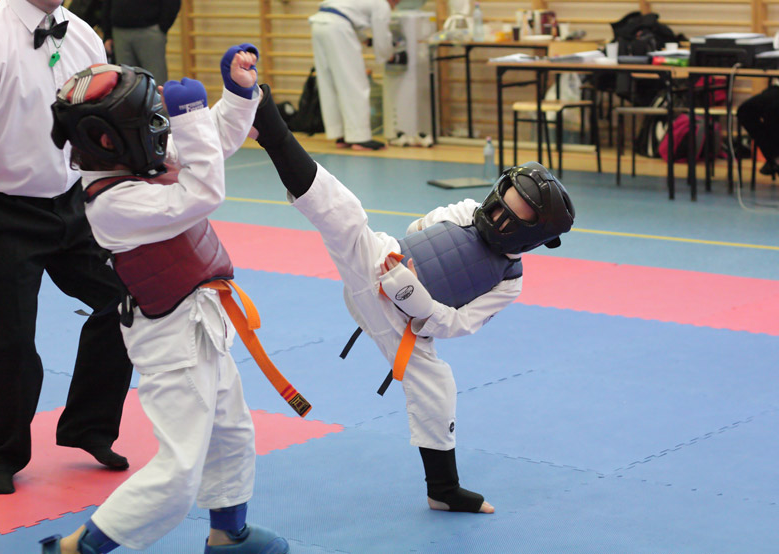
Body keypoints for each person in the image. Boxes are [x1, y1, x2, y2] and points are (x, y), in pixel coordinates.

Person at [248, 84, 575, 513]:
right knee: (345, 215)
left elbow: (458, 324)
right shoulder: (468, 210)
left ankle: (443, 490)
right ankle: (268, 123)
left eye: (506, 215)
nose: (493, 212)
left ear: (529, 234)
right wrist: (401, 270)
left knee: (437, 386)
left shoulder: (508, 281)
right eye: (498, 202)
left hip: (404, 322)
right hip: (381, 265)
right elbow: (420, 229)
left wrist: (414, 297)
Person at [40, 45, 289, 554]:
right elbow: (202, 192)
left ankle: (229, 535)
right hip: (171, 340)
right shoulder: (113, 202)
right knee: (179, 470)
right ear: (107, 138)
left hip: (203, 320)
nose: (160, 131)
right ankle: (75, 548)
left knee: (231, 432)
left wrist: (236, 96)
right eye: (149, 122)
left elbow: (209, 141)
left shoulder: (137, 155)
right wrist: (190, 120)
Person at [0, 0, 134, 495]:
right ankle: (5, 455)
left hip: (73, 203)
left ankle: (89, 427)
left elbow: (100, 126)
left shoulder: (82, 34)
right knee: (12, 341)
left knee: (126, 300)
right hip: (1, 213)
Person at [308, 0, 402, 150]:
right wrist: (389, 56)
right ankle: (360, 138)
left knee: (329, 82)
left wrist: (365, 40)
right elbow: (382, 35)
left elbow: (347, 16)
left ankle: (340, 134)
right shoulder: (382, 4)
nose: (395, 6)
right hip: (338, 27)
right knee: (354, 83)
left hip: (319, 24)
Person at [101, 0, 181, 85]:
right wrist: (107, 34)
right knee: (125, 83)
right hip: (119, 32)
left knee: (156, 81)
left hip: (149, 30)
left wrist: (163, 26)